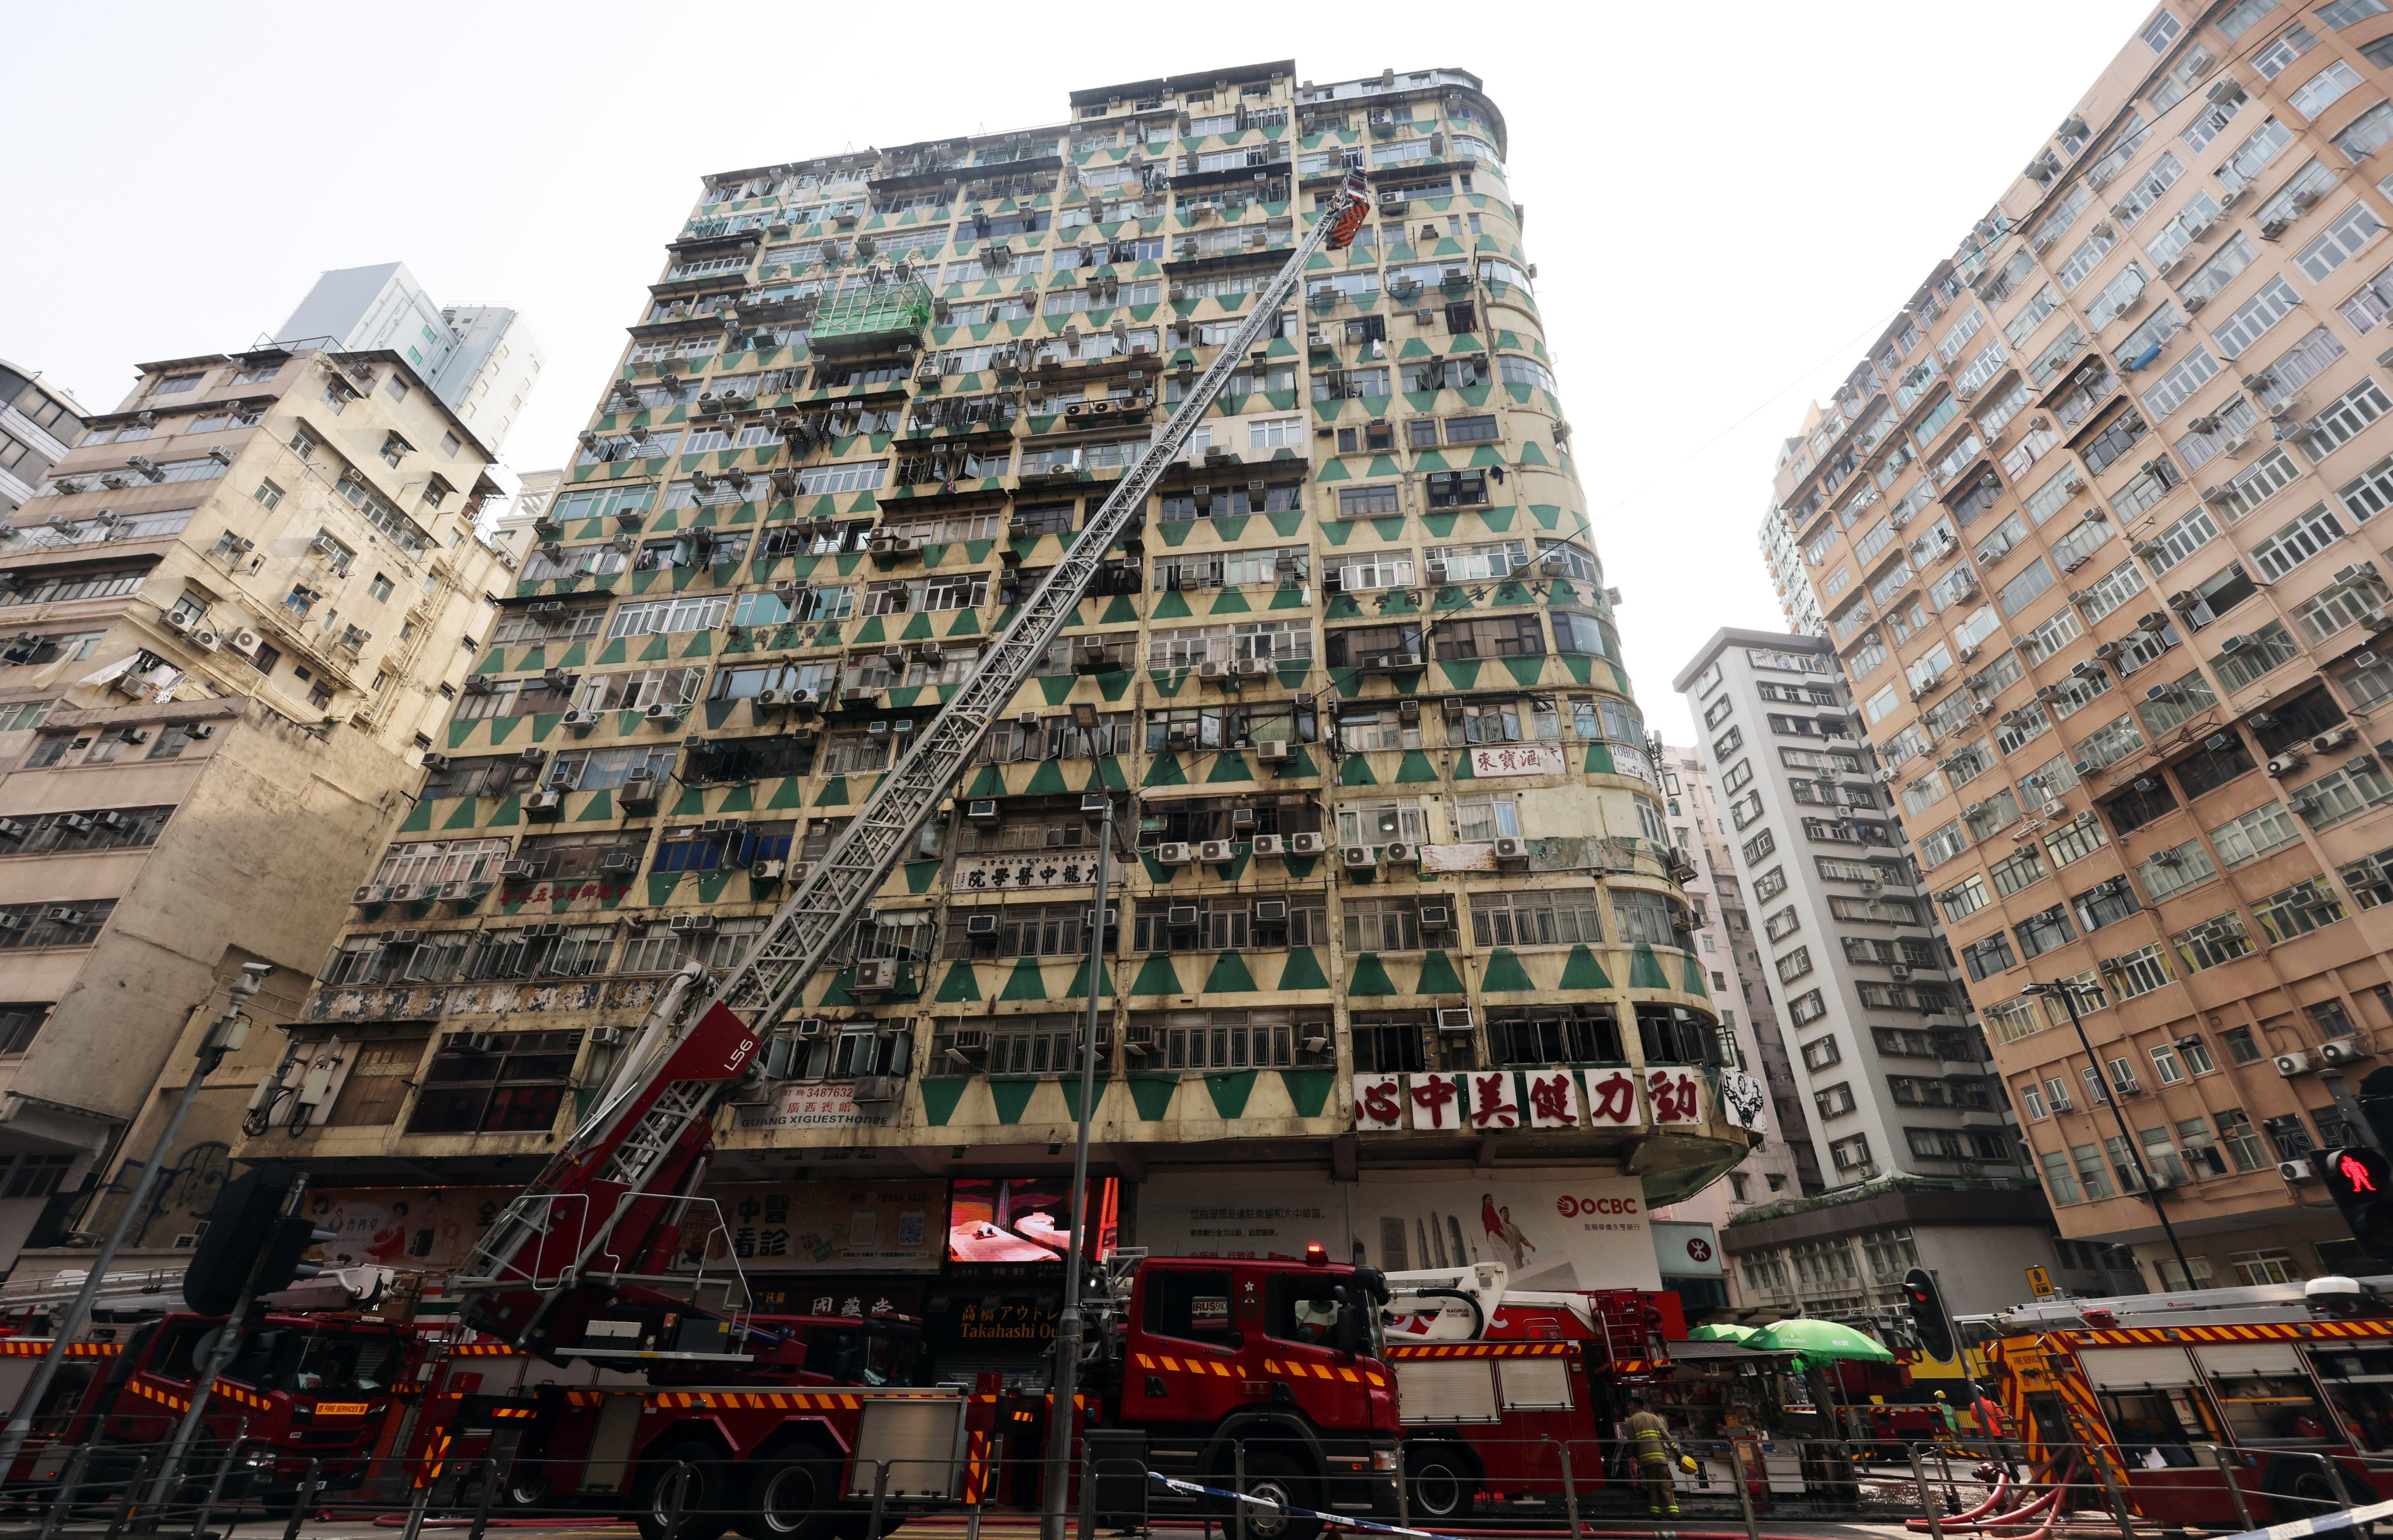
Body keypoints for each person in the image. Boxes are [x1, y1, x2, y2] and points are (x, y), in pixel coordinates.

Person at [1624, 1395, 1679, 1517]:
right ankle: (1673, 1512)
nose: (1629, 1407)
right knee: (1666, 1485)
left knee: (1653, 1487)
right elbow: (1667, 1437)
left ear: (1636, 1405)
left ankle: (1656, 1513)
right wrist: (1678, 1453)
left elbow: (1632, 1443)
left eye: (1630, 1404)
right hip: (1661, 1458)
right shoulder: (1654, 1418)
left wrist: (1635, 1455)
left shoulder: (1632, 1421)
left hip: (1646, 1459)